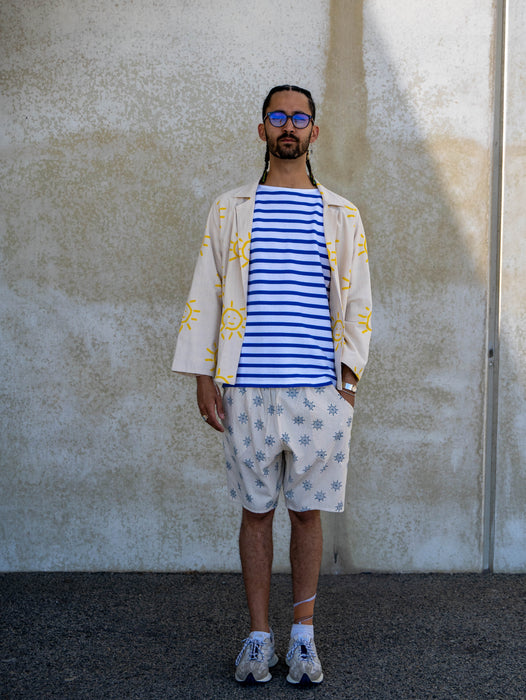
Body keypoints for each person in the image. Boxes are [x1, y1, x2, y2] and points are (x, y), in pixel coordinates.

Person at [172, 84, 372, 685]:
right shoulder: (230, 209)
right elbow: (207, 290)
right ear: (262, 129)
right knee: (256, 513)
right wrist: (204, 375)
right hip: (247, 389)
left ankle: (303, 639)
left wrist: (347, 384)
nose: (289, 126)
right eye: (278, 116)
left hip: (317, 393)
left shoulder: (341, 214)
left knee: (307, 514)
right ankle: (259, 638)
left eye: (299, 117)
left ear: (314, 131)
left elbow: (358, 301)